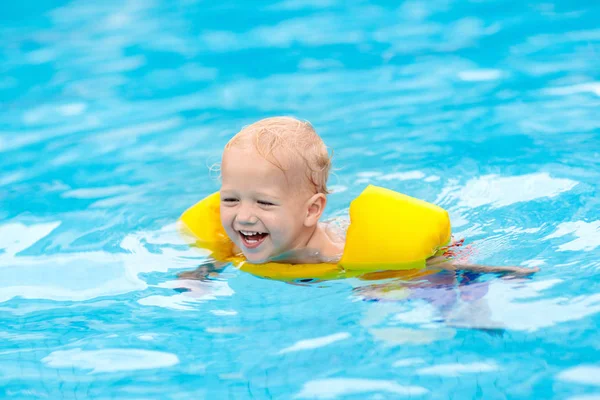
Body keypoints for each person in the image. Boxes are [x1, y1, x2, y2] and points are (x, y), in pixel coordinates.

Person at [217, 116, 538, 276]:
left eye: (264, 202)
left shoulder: (334, 255)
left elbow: (431, 265)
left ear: (312, 210)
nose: (243, 216)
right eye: (231, 199)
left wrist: (488, 273)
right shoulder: (242, 238)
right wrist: (201, 274)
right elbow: (222, 257)